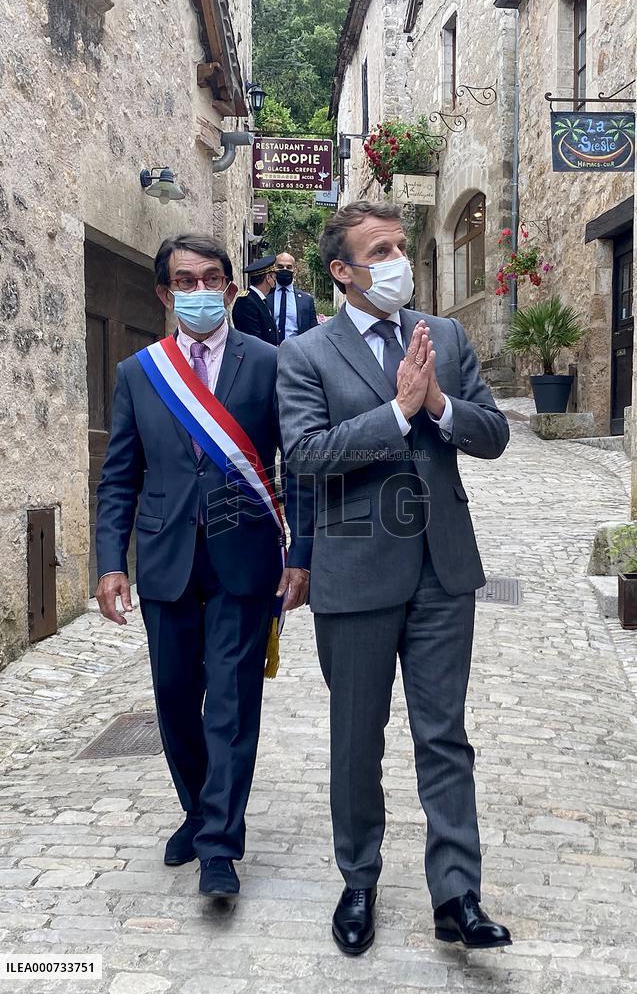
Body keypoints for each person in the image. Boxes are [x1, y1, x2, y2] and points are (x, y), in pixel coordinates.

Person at [276, 201, 511, 955]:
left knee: (444, 735)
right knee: (356, 739)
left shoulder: (445, 337)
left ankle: (457, 895)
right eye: (379, 251)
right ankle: (359, 880)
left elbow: (494, 435)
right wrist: (399, 412)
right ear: (341, 271)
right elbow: (305, 455)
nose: (397, 261)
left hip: (443, 569)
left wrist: (438, 403)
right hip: (354, 573)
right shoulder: (305, 355)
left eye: (401, 247)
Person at [95, 234, 312, 899]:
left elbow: (298, 464)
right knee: (173, 699)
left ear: (230, 288)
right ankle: (196, 810)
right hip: (166, 559)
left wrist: (300, 554)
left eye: (211, 279)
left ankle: (220, 843)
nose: (199, 291)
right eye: (185, 282)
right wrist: (110, 562)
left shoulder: (269, 362)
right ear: (165, 293)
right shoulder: (140, 373)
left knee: (233, 701)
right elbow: (119, 478)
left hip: (244, 558)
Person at [266, 252, 319, 343]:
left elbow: (313, 330)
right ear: (274, 268)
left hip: (297, 349)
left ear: (295, 270)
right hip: (270, 348)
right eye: (280, 267)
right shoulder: (265, 297)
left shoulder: (306, 300)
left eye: (289, 267)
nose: (285, 269)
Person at [232, 255, 279, 345]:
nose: (275, 281)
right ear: (268, 278)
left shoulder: (260, 300)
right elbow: (252, 339)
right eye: (274, 277)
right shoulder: (246, 302)